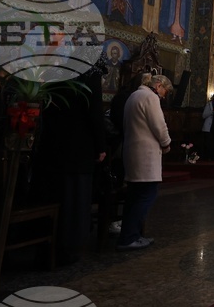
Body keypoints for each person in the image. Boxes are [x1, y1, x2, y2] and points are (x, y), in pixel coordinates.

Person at [35, 69, 107, 264]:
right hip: (78, 146)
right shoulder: (88, 73)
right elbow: (94, 109)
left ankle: (47, 244)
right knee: (74, 197)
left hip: (50, 145)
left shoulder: (54, 69)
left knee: (53, 194)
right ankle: (70, 246)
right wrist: (101, 145)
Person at [118, 74, 173, 250]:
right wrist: (166, 144)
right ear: (158, 85)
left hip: (132, 151)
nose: (163, 96)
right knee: (146, 196)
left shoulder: (134, 95)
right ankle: (129, 237)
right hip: (145, 155)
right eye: (165, 91)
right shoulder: (150, 97)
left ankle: (129, 235)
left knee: (134, 197)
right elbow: (159, 125)